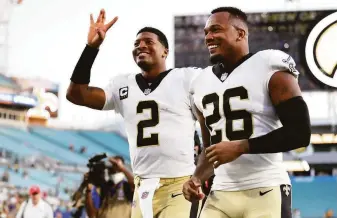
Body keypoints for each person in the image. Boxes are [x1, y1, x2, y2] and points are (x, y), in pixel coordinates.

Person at [66, 9, 201, 218]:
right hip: (143, 188)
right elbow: (76, 94)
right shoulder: (123, 85)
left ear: (165, 51)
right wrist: (91, 48)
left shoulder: (186, 78)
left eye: (148, 41)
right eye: (136, 44)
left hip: (179, 184)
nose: (141, 46)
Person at [183, 7, 311, 218]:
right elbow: (211, 149)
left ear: (240, 33)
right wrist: (196, 178)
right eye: (206, 32)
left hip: (265, 187)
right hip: (221, 192)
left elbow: (300, 132)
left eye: (215, 30)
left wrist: (243, 146)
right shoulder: (199, 83)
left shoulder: (269, 66)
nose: (208, 37)